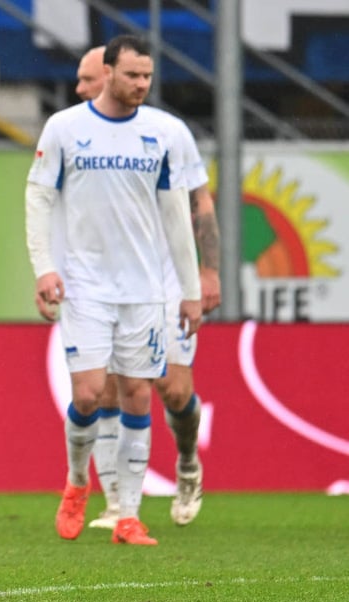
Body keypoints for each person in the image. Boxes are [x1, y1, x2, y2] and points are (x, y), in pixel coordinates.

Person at [25, 34, 203, 545]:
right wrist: (44, 268)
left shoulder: (161, 134)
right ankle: (78, 480)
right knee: (86, 394)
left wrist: (189, 290)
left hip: (146, 291)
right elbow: (38, 197)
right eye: (132, 75)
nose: (142, 84)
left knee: (137, 394)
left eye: (148, 76)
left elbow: (176, 217)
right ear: (107, 72)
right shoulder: (66, 128)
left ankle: (127, 513)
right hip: (85, 287)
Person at [72, 46, 222, 531]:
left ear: (106, 77)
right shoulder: (73, 135)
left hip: (165, 282)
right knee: (112, 388)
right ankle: (119, 503)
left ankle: (187, 463)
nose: (80, 88)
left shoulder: (167, 132)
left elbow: (199, 202)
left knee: (173, 390)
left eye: (86, 79)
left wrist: (207, 272)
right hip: (108, 287)